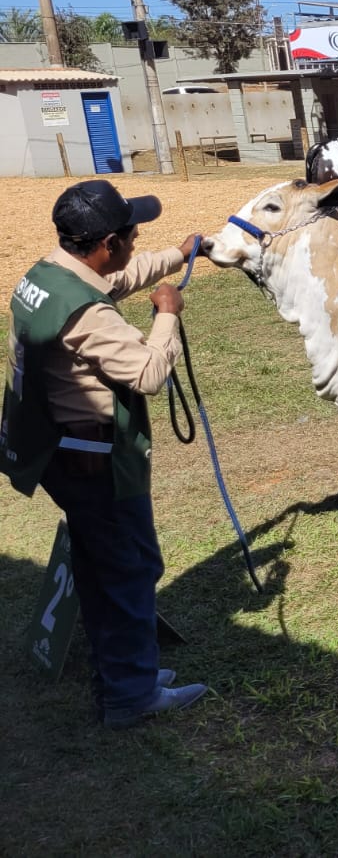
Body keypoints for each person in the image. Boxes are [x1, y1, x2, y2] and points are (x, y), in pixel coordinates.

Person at [0, 180, 210, 729]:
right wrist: (167, 313)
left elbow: (110, 284)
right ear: (108, 242)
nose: (137, 243)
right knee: (130, 568)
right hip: (94, 460)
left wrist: (178, 255)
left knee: (102, 567)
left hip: (56, 455)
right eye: (134, 236)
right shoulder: (88, 315)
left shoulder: (46, 276)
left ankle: (124, 671)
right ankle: (131, 695)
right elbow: (147, 374)